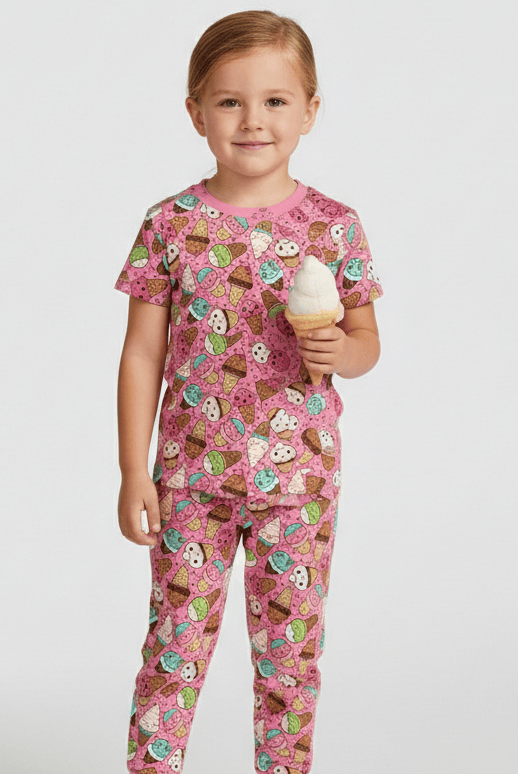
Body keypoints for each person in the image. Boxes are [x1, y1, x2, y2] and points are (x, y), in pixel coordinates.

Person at [114, 10, 384, 774]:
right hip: (190, 482)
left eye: (274, 100)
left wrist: (344, 350)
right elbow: (142, 354)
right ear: (196, 112)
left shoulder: (335, 227)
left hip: (299, 484)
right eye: (229, 101)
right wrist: (134, 469)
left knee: (289, 661)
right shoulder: (170, 225)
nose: (253, 120)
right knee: (174, 649)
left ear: (310, 110)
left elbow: (366, 343)